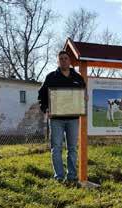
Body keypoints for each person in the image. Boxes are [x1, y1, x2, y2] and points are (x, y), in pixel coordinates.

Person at [38, 50, 86, 183]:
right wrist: (46, 109)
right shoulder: (51, 77)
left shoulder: (78, 78)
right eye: (61, 59)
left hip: (73, 119)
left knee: (72, 148)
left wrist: (84, 98)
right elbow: (41, 96)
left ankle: (72, 177)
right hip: (56, 119)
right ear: (58, 61)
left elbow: (83, 95)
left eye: (66, 58)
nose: (64, 60)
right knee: (56, 148)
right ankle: (59, 177)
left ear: (70, 61)